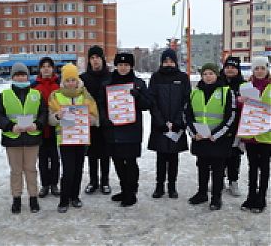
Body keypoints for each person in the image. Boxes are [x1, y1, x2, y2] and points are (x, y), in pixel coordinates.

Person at [0, 62, 47, 214]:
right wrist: (10, 126)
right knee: (16, 171)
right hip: (13, 138)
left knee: (31, 169)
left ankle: (33, 198)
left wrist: (38, 125)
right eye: (17, 75)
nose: (21, 78)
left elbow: (43, 112)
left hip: (32, 138)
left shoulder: (36, 94)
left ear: (27, 77)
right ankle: (16, 198)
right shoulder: (4, 95)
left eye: (23, 75)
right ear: (13, 77)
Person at [99, 53, 151, 207]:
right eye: (120, 65)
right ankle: (124, 189)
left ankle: (131, 192)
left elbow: (147, 104)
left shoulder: (139, 83)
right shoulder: (107, 83)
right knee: (117, 161)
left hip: (131, 130)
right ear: (116, 65)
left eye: (126, 65)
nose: (123, 68)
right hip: (113, 130)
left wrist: (138, 97)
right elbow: (101, 104)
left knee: (131, 161)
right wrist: (103, 119)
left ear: (131, 66)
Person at [48, 63, 99, 213]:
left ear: (78, 80)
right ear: (63, 82)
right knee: (68, 170)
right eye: (68, 80)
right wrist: (57, 116)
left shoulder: (85, 95)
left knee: (78, 169)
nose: (71, 83)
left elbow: (96, 117)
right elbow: (50, 120)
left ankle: (75, 197)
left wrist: (91, 119)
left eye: (73, 80)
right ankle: (64, 199)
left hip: (81, 139)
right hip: (64, 140)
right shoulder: (55, 96)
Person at [185, 63, 236, 210]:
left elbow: (230, 117)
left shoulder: (227, 92)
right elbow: (187, 115)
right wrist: (193, 133)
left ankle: (216, 197)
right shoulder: (195, 92)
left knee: (218, 169)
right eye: (205, 74)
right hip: (200, 137)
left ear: (217, 75)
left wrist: (217, 134)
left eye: (211, 73)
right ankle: (202, 193)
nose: (208, 76)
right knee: (202, 167)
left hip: (218, 139)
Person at [148, 49, 190, 199]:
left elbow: (186, 101)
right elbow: (152, 101)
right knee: (160, 157)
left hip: (177, 125)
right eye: (165, 61)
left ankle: (172, 186)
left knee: (173, 158)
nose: (168, 64)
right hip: (160, 126)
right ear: (161, 62)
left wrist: (178, 121)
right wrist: (161, 122)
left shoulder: (183, 78)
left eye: (171, 61)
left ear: (175, 62)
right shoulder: (155, 77)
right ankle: (159, 186)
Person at [239, 57, 270, 213]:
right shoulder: (246, 86)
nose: (259, 71)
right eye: (256, 69)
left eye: (262, 68)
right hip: (251, 134)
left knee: (264, 168)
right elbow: (241, 110)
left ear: (267, 70)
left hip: (266, 136)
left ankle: (261, 199)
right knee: (252, 168)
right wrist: (240, 101)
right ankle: (250, 197)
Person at [80, 46, 112, 195]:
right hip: (89, 122)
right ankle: (93, 181)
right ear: (89, 60)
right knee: (92, 154)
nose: (95, 60)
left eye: (98, 57)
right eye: (92, 58)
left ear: (102, 59)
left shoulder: (110, 77)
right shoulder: (83, 78)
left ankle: (105, 181)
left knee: (106, 153)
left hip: (106, 122)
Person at [32, 57, 60, 198]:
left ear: (53, 68)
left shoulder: (60, 85)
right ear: (40, 69)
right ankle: (44, 185)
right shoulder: (34, 86)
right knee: (42, 158)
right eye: (43, 66)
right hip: (40, 128)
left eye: (49, 66)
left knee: (55, 158)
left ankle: (54, 184)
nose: (46, 69)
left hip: (57, 128)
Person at [220, 56, 245, 196]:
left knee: (234, 155)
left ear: (238, 70)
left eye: (233, 67)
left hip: (237, 126)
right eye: (227, 67)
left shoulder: (244, 86)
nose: (230, 70)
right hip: (220, 125)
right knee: (219, 154)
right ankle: (219, 179)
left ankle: (233, 181)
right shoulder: (218, 83)